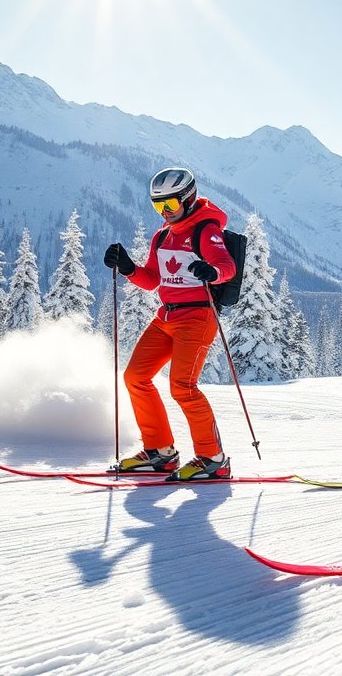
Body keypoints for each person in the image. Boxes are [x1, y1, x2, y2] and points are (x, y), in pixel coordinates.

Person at [102, 167, 238, 481]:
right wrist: (128, 268)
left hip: (198, 317)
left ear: (188, 199)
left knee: (182, 387)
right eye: (158, 206)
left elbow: (226, 266)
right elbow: (152, 280)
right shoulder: (162, 235)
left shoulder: (206, 230)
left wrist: (212, 272)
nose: (165, 212)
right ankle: (160, 452)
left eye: (170, 206)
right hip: (166, 316)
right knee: (136, 376)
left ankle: (213, 458)